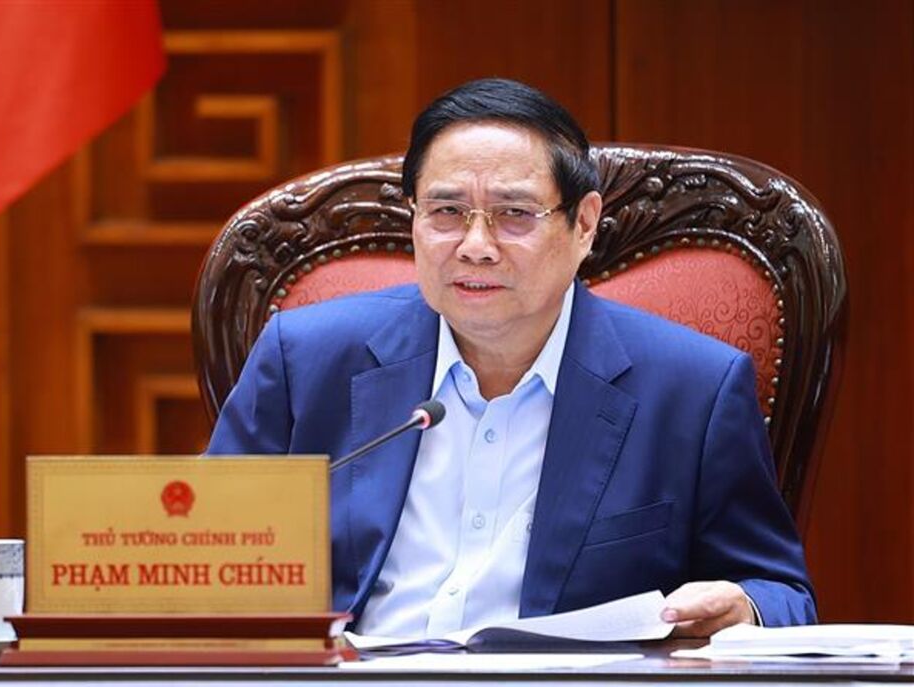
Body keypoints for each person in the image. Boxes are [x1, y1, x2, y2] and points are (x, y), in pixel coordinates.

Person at [207, 78, 816, 638]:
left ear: (584, 224)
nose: (476, 247)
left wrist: (745, 606)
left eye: (514, 215)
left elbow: (781, 593)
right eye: (447, 212)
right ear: (413, 218)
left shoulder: (694, 390)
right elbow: (207, 560)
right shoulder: (306, 359)